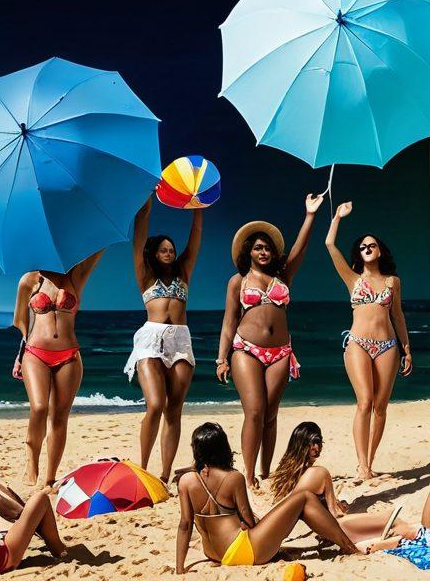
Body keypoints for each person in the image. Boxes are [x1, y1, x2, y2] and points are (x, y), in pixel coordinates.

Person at [215, 196, 323, 487]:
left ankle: (266, 471)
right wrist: (222, 358)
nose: (264, 252)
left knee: (271, 415)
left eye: (268, 248)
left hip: (281, 352)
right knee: (254, 411)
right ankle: (248, 475)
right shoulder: (237, 281)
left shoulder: (283, 275)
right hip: (246, 350)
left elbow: (300, 249)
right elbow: (228, 323)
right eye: (258, 247)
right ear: (248, 251)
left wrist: (310, 215)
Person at [175, 422, 360, 572]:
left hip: (213, 553)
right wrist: (258, 524)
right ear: (223, 448)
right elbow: (247, 518)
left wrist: (179, 567)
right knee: (304, 497)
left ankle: (341, 541)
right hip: (242, 552)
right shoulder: (233, 477)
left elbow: (185, 525)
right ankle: (349, 547)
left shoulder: (186, 481)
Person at [325, 202, 412, 480]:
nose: (367, 248)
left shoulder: (393, 282)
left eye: (372, 245)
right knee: (364, 402)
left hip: (388, 346)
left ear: (380, 250)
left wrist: (407, 350)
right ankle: (362, 465)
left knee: (380, 407)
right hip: (358, 344)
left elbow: (398, 316)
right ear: (359, 254)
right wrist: (337, 216)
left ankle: (370, 463)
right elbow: (329, 243)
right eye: (363, 246)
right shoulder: (352, 279)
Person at [126, 197, 203, 482]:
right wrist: (145, 208)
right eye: (163, 250)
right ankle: (143, 468)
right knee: (156, 405)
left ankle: (165, 473)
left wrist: (197, 211)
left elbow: (194, 242)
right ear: (153, 254)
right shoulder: (144, 275)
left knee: (174, 410)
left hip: (180, 340)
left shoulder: (183, 273)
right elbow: (139, 237)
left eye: (171, 249)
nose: (169, 253)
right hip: (151, 339)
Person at [12, 251, 103, 487]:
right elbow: (19, 319)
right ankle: (32, 455)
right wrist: (21, 352)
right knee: (40, 407)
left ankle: (50, 477)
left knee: (60, 417)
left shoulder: (75, 276)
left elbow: (96, 252)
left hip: (69, 355)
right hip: (35, 352)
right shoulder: (29, 280)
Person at [269, 421, 348, 515]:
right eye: (312, 443)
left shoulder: (289, 470)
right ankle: (335, 510)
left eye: (318, 442)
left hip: (284, 511)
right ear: (300, 446)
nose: (317, 448)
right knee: (323, 473)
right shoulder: (303, 471)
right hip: (286, 512)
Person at [0, 480, 69, 573]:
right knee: (41, 498)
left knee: (30, 510)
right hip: (2, 557)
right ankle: (58, 548)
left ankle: (39, 529)